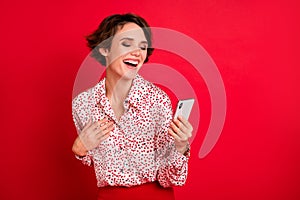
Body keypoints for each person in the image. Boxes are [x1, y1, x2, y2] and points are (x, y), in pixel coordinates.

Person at [71, 13, 193, 200]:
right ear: (105, 49)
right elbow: (91, 159)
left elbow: (169, 178)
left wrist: (180, 146)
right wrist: (79, 150)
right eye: (127, 43)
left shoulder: (157, 100)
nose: (137, 53)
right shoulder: (83, 104)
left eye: (143, 47)